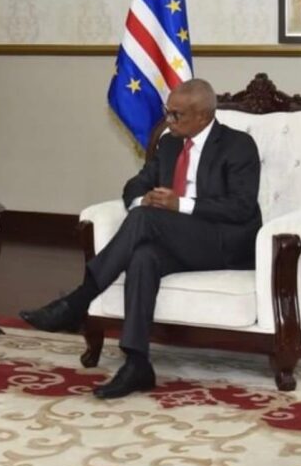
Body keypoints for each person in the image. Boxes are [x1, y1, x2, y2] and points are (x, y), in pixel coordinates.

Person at [20, 79, 262, 400]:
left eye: (177, 115)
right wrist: (142, 200)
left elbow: (241, 207)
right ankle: (137, 363)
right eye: (168, 112)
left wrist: (180, 204)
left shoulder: (238, 145)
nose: (168, 121)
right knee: (143, 255)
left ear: (203, 116)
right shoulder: (169, 144)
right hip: (177, 239)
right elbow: (134, 185)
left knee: (145, 220)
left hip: (224, 243)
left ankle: (78, 302)